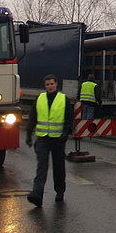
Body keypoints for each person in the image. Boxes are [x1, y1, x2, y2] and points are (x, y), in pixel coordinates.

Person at [26, 74, 74, 207]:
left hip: (58, 139)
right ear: (45, 86)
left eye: (52, 84)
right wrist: (29, 134)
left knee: (58, 167)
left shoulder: (63, 99)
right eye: (47, 84)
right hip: (42, 138)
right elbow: (33, 117)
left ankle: (60, 191)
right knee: (42, 165)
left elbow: (69, 118)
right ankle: (37, 194)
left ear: (56, 84)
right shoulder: (40, 99)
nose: (50, 86)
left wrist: (66, 132)